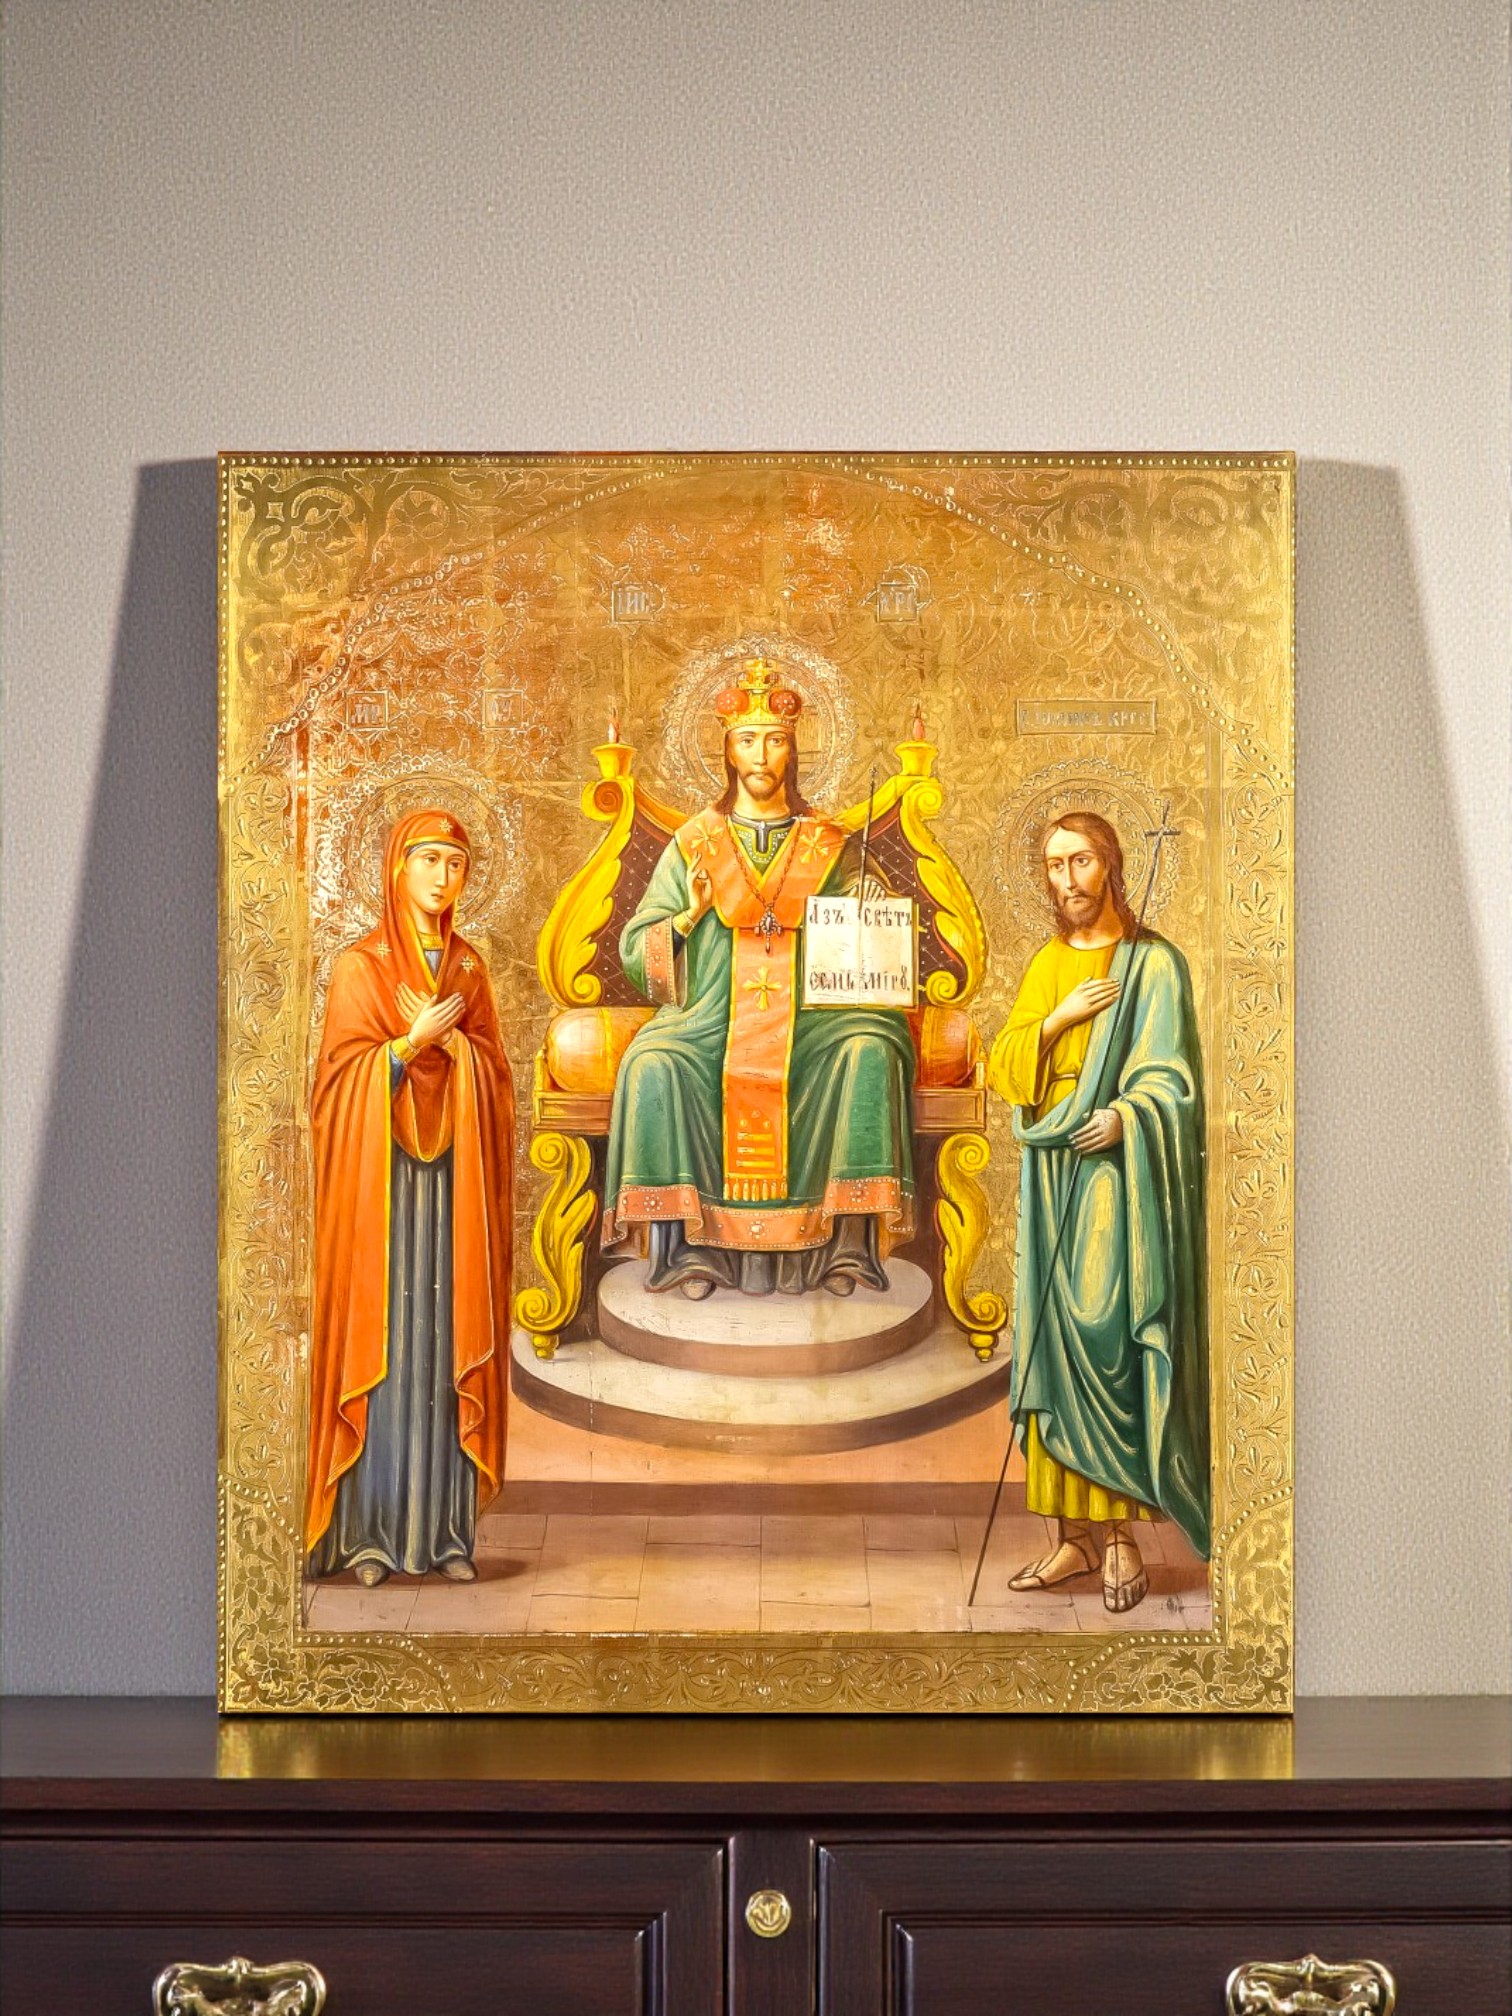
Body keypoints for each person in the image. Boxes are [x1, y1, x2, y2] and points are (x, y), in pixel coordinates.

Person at [601, 658, 915, 1297]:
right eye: (748, 739)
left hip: (816, 1020)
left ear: (793, 751)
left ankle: (844, 1251)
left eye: (775, 740)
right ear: (727, 751)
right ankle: (686, 1253)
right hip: (710, 1020)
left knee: (869, 1049)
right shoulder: (694, 842)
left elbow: (868, 942)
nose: (762, 754)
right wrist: (688, 916)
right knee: (653, 1063)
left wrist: (866, 901)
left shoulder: (829, 842)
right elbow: (639, 950)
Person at [987, 811, 1209, 1612]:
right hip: (1054, 1168)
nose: (1066, 880)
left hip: (1118, 1173)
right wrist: (1059, 1018)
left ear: (1110, 865)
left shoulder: (1156, 965)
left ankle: (1120, 1538)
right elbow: (1007, 1065)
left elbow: (1175, 1082)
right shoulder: (1051, 964)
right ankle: (1072, 1540)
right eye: (1054, 865)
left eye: (1079, 861)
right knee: (1051, 1344)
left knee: (1105, 1335)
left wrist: (1127, 1117)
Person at [305, 808, 513, 1587]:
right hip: (383, 1193)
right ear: (397, 868)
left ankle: (445, 1536)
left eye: (455, 864)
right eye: (429, 860)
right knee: (388, 1349)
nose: (442, 877)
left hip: (452, 1188)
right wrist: (409, 1045)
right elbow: (334, 1089)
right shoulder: (360, 968)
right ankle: (369, 1537)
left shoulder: (469, 969)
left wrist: (462, 1054)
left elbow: (497, 1079)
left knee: (442, 1347)